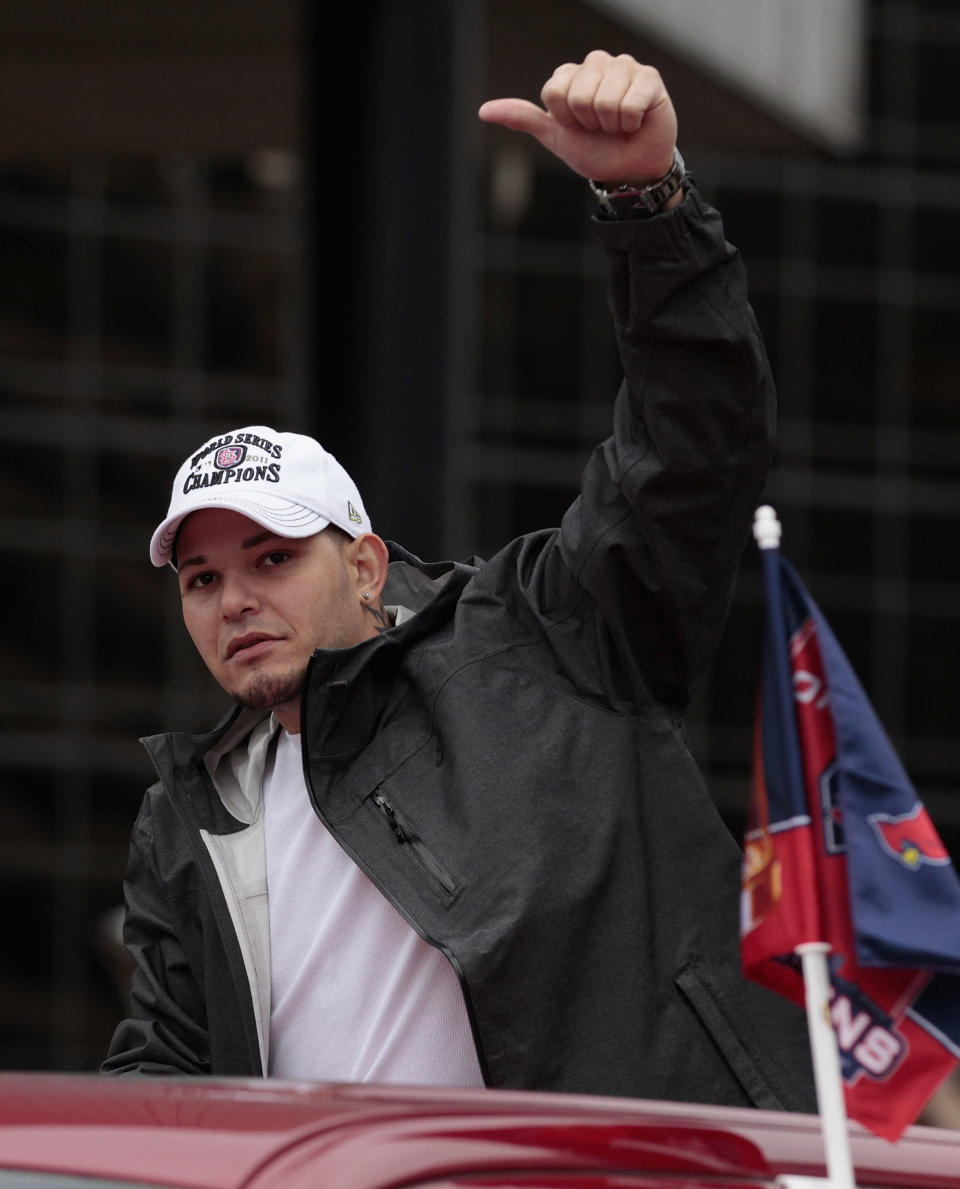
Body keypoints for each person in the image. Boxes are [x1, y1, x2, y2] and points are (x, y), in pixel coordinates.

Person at [104, 51, 816, 1111]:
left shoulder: (537, 634)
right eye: (201, 578)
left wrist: (646, 201)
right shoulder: (192, 812)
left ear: (365, 561)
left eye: (271, 558)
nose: (236, 600)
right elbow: (158, 1082)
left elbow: (693, 448)